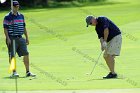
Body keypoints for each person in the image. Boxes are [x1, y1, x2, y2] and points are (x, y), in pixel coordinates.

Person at [3, 1, 36, 77]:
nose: (17, 8)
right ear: (12, 7)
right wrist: (8, 38)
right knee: (12, 56)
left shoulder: (21, 15)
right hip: (12, 38)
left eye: (17, 6)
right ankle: (14, 72)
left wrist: (27, 37)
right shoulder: (7, 16)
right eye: (15, 6)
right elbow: (5, 29)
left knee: (26, 54)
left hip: (20, 38)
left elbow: (24, 27)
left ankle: (28, 72)